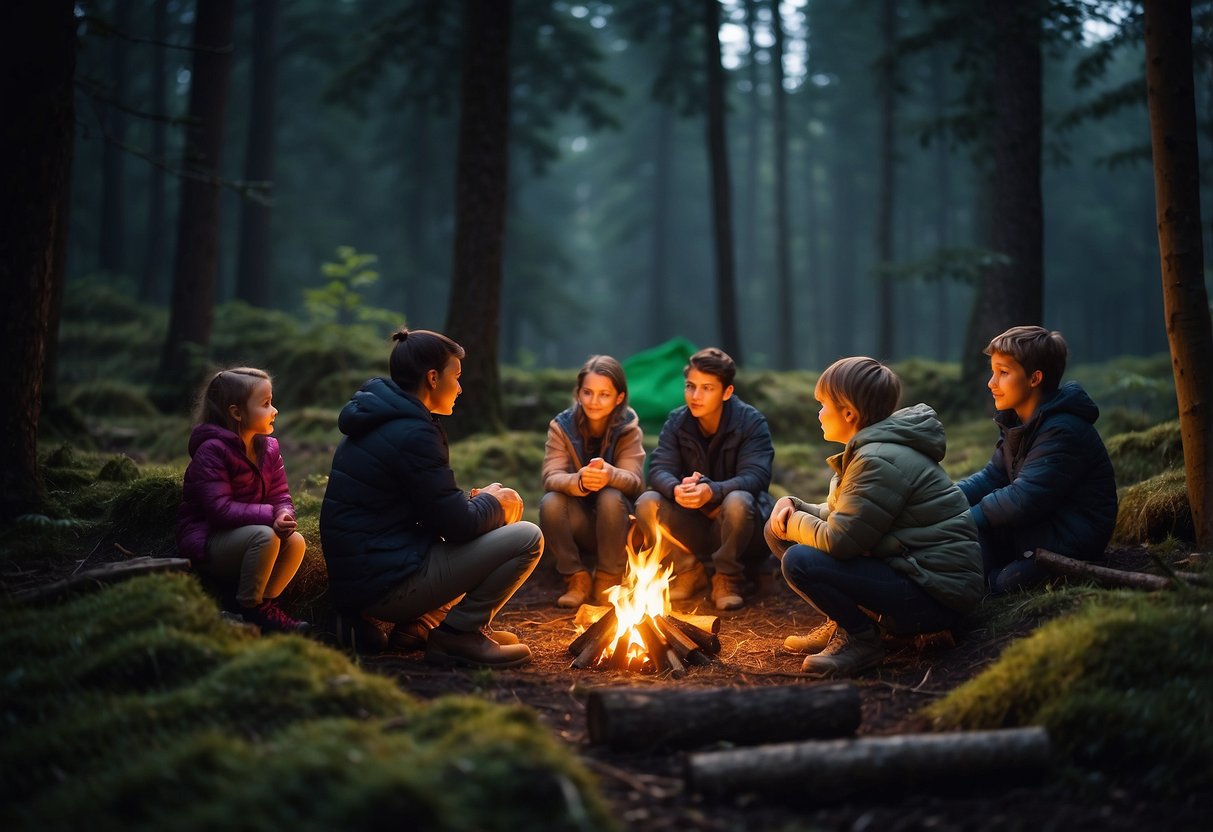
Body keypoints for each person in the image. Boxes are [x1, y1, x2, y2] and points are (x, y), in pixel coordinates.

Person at [320, 328, 542, 668]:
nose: (461, 388)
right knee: (527, 537)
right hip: (385, 583)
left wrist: (477, 502)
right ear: (433, 378)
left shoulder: (383, 419)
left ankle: (424, 625)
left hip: (368, 575)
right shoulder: (413, 433)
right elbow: (458, 526)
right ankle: (459, 634)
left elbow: (430, 508)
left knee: (493, 519)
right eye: (457, 377)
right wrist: (497, 503)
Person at [766, 357, 983, 679]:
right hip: (911, 574)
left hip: (936, 596)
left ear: (849, 413)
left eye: (823, 405)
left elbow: (841, 540)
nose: (819, 413)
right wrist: (795, 506)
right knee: (778, 530)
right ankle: (846, 621)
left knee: (800, 559)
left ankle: (861, 640)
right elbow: (853, 518)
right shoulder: (872, 451)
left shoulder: (878, 461)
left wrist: (794, 523)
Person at [957, 325, 1118, 593]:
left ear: (1035, 378)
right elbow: (991, 477)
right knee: (968, 540)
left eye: (1003, 373)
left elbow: (1023, 498)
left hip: (1069, 541)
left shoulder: (1063, 430)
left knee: (1002, 581)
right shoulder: (1019, 423)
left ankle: (988, 583)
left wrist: (962, 519)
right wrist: (945, 499)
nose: (991, 383)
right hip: (1038, 527)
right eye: (993, 371)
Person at [634, 347, 775, 611]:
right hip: (694, 520)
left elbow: (757, 476)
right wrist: (676, 489)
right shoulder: (677, 421)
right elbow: (658, 468)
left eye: (707, 388)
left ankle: (728, 577)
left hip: (743, 525)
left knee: (738, 500)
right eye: (690, 386)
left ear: (727, 392)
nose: (695, 396)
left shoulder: (751, 422)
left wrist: (713, 492)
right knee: (647, 501)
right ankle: (688, 571)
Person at [177, 367, 310, 634]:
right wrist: (270, 514)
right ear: (236, 412)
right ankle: (249, 606)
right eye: (265, 404)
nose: (275, 410)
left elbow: (280, 494)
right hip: (210, 540)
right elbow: (219, 510)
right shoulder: (212, 451)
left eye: (272, 401)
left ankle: (264, 605)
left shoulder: (269, 448)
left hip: (246, 536)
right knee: (266, 535)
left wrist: (283, 514)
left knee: (295, 541)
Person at [539, 355, 645, 608]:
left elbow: (634, 481)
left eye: (604, 394)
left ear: (619, 397)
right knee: (551, 501)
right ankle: (576, 577)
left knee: (610, 495)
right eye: (587, 392)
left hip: (618, 521)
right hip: (580, 521)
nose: (594, 402)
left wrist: (609, 475)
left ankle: (609, 577)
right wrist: (580, 481)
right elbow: (550, 476)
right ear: (578, 393)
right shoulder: (561, 426)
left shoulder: (629, 427)